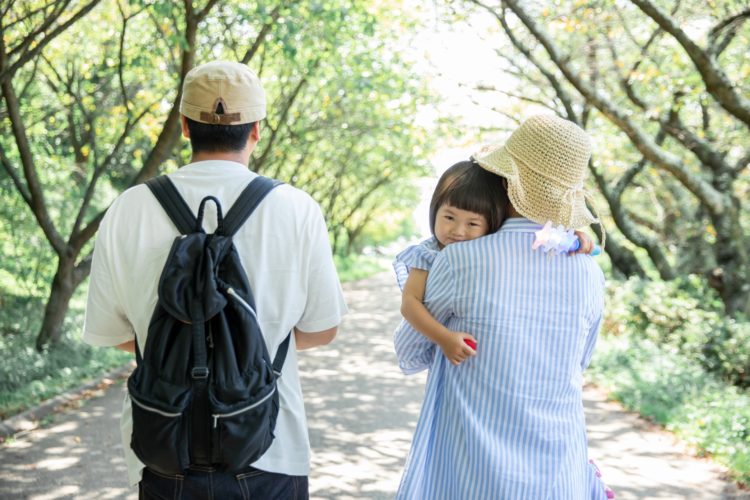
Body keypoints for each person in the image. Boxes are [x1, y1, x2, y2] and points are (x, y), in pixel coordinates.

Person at [83, 61, 348, 499]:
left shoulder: (127, 208)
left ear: (184, 126)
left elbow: (114, 334)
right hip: (269, 448)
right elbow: (322, 329)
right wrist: (245, 348)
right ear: (257, 129)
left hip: (165, 445)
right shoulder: (297, 209)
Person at [393, 114, 613, 499]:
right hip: (558, 472)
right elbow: (579, 363)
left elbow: (410, 352)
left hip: (473, 471)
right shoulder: (590, 272)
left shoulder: (459, 260)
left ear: (506, 182)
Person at [394, 161, 594, 366]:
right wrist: (443, 337)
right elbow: (409, 303)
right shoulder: (428, 253)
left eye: (472, 223)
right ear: (435, 210)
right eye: (449, 217)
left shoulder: (487, 245)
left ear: (490, 223)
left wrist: (574, 237)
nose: (458, 231)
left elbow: (533, 234)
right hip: (440, 341)